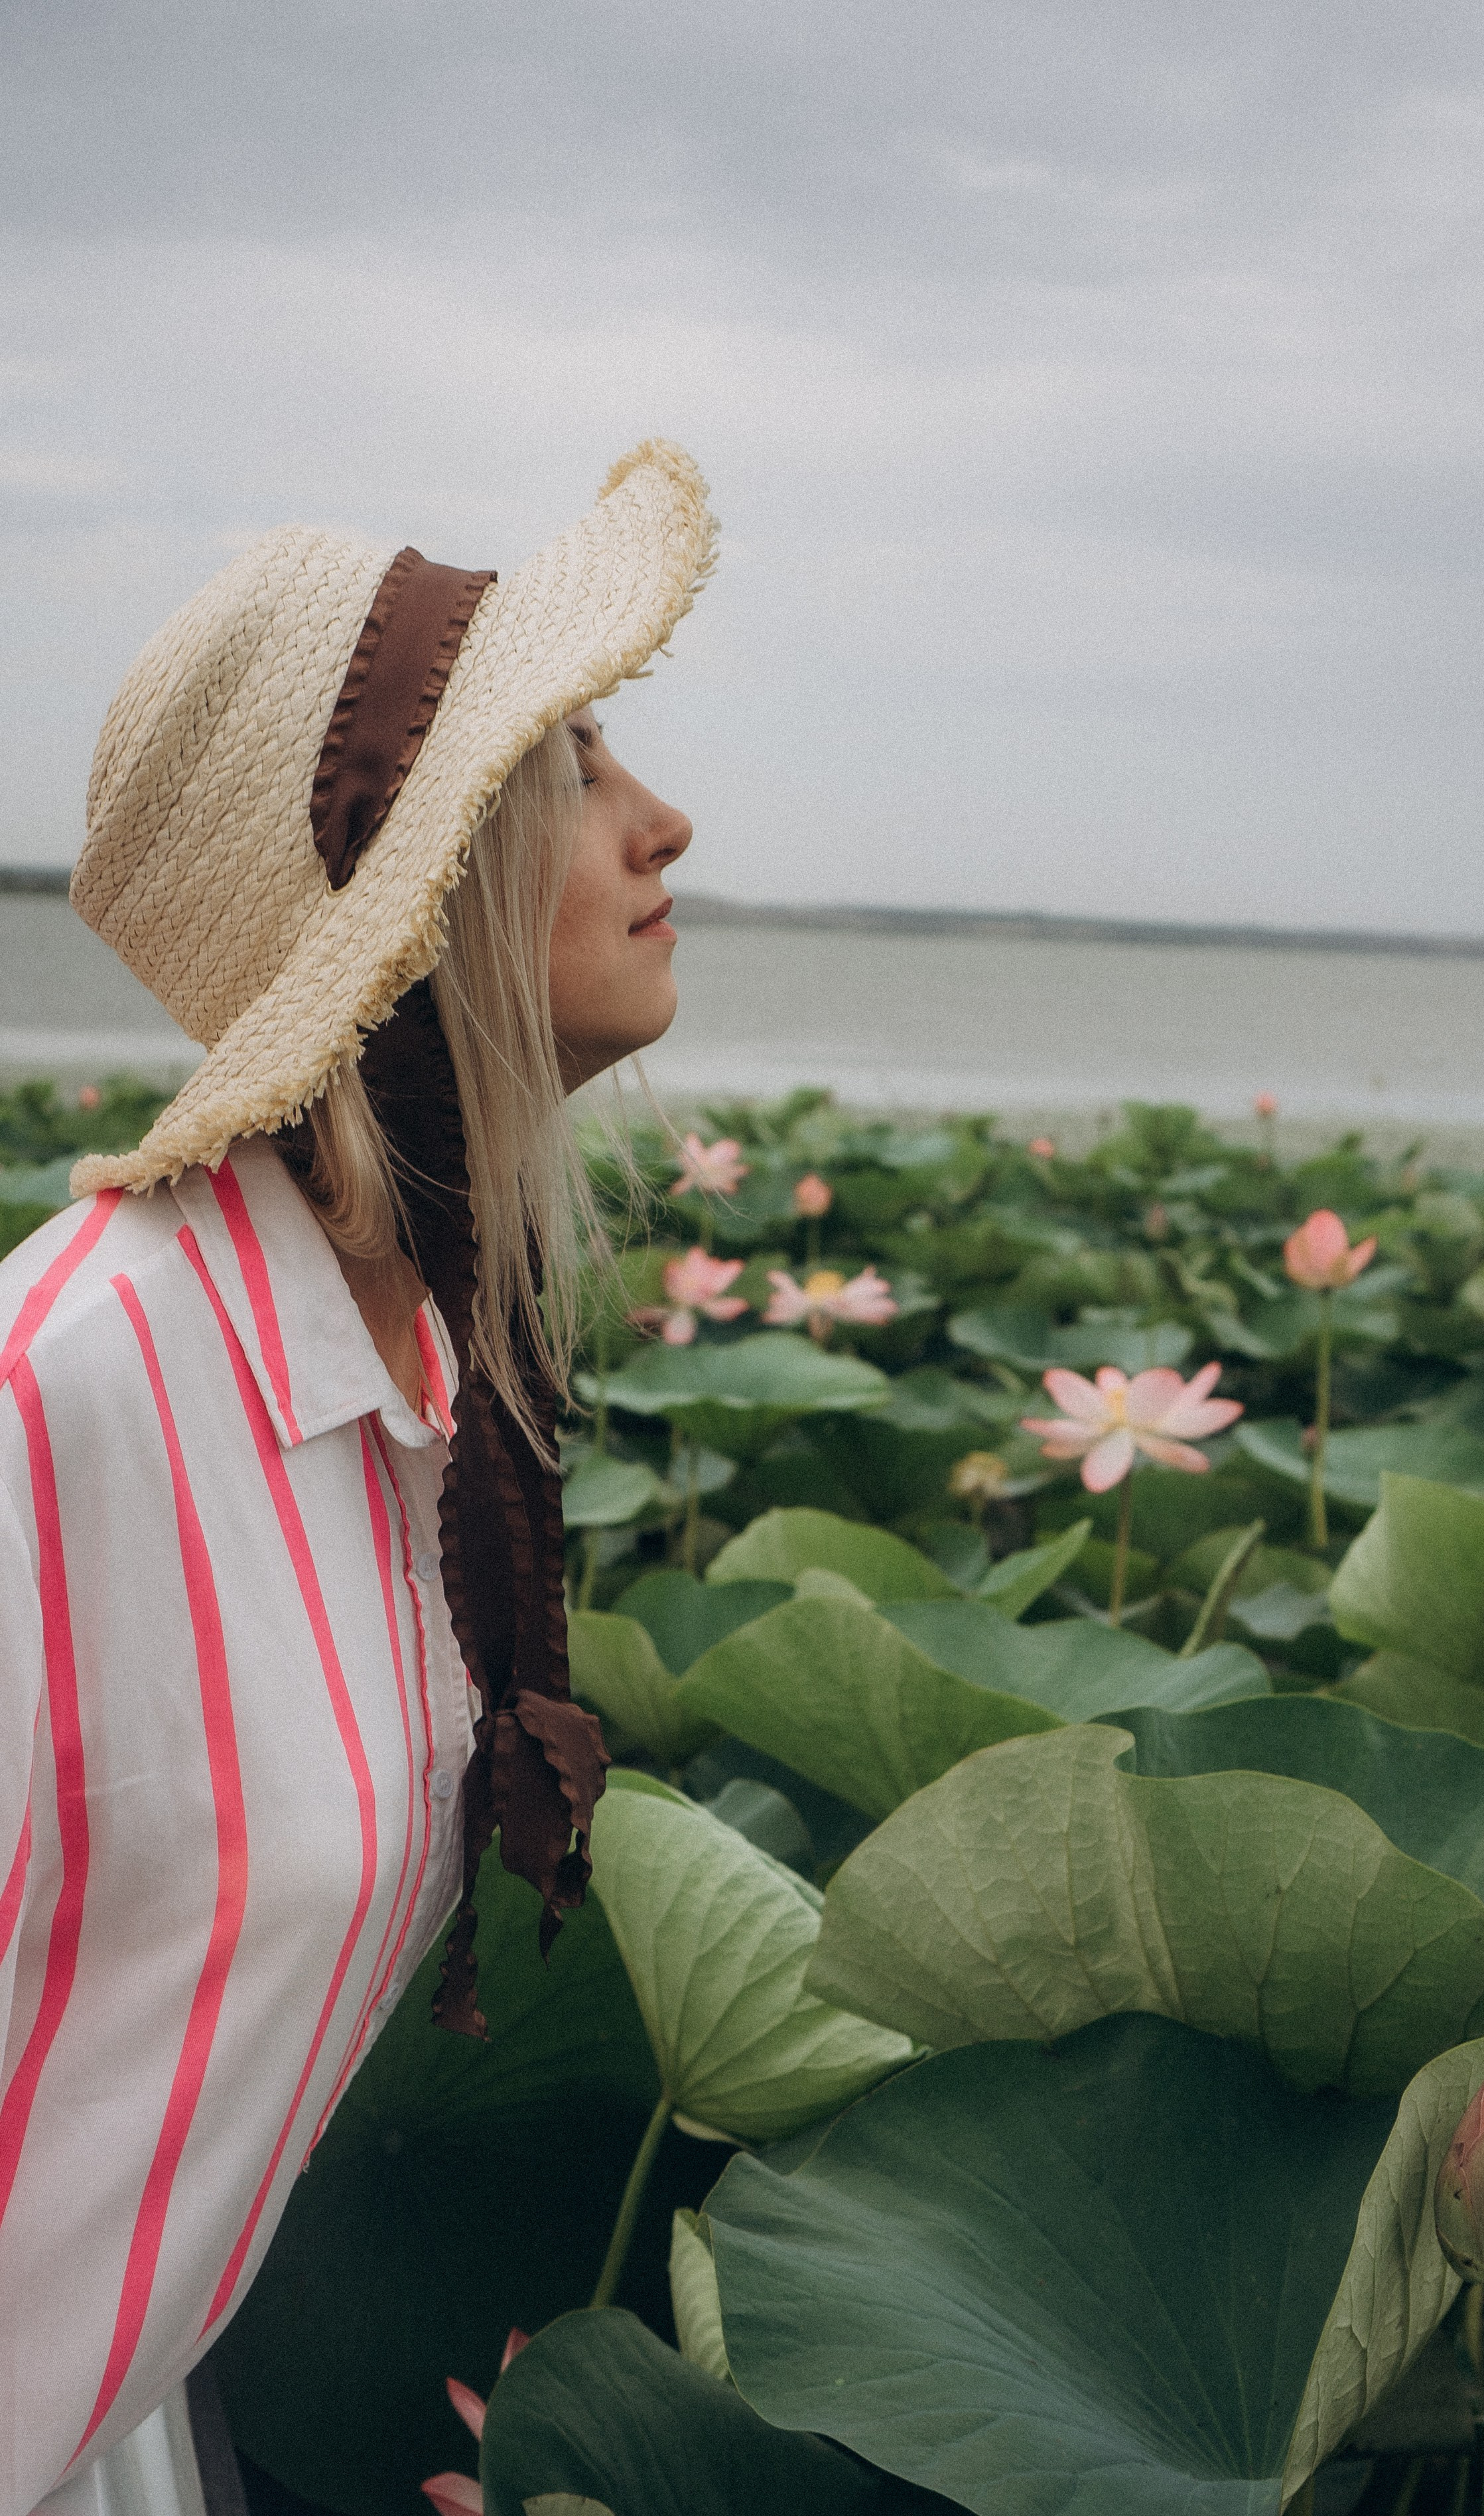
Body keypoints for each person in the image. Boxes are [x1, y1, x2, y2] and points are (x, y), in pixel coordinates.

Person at [0, 441, 714, 2511]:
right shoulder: (62, 1400)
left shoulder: (423, 1379)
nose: (664, 819)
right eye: (570, 762)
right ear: (423, 887)